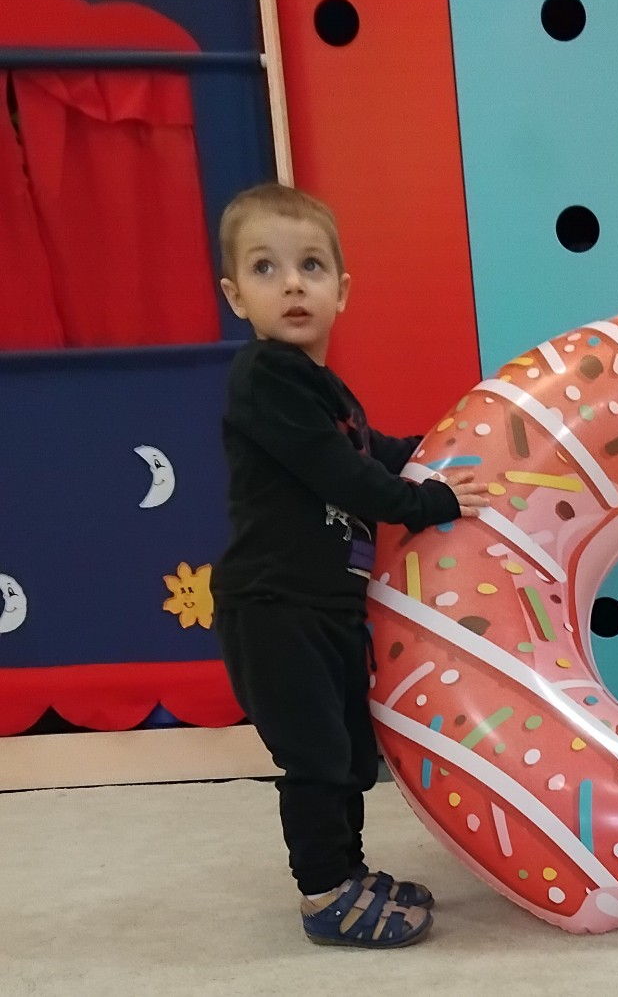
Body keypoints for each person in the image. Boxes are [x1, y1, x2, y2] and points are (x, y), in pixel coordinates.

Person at [210, 183, 489, 945]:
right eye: (266, 269)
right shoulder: (265, 377)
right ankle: (324, 891)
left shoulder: (324, 391)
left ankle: (349, 870)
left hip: (327, 606)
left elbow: (373, 450)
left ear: (341, 290)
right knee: (314, 754)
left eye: (310, 266)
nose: (292, 284)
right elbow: (340, 472)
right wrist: (426, 501)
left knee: (346, 749)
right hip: (275, 605)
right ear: (236, 297)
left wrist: (448, 447)